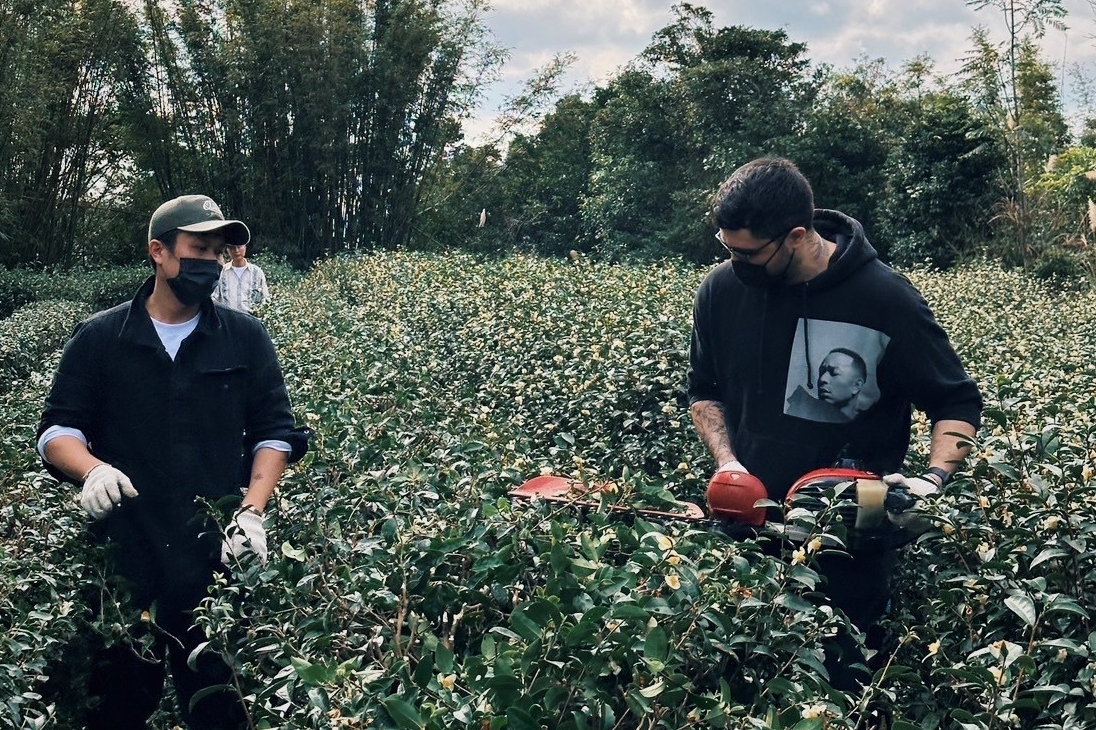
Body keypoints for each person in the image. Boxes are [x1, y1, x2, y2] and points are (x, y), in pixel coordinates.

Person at [686, 157, 981, 672]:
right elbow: (705, 391)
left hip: (850, 540)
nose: (735, 263)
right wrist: (727, 462)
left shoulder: (885, 298)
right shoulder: (721, 291)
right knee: (743, 678)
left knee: (844, 680)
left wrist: (932, 482)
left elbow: (955, 402)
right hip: (746, 531)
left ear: (796, 235)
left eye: (748, 252)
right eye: (726, 248)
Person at [36, 194, 310, 729]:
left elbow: (275, 432)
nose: (210, 261)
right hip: (125, 552)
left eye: (218, 251)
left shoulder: (245, 338)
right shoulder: (101, 338)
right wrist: (90, 468)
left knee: (219, 704)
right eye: (198, 248)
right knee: (116, 702)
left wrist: (250, 512)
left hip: (214, 557)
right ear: (159, 252)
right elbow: (57, 429)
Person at [213, 239, 270, 313]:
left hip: (251, 320)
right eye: (232, 248)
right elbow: (214, 298)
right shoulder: (222, 272)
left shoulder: (257, 272)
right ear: (227, 250)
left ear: (245, 248)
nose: (236, 251)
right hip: (228, 320)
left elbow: (265, 298)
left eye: (239, 247)